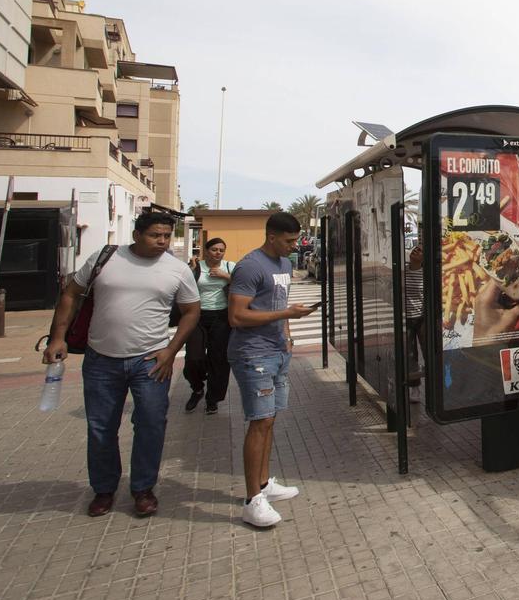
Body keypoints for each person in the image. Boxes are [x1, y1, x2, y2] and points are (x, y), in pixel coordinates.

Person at [42, 212, 201, 518]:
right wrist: (57, 338)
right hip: (101, 360)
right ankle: (103, 489)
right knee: (101, 428)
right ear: (137, 233)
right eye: (156, 235)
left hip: (151, 362)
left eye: (167, 236)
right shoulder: (105, 258)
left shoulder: (176, 269)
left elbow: (191, 311)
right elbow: (71, 293)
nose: (163, 242)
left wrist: (171, 350)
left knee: (151, 426)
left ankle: (142, 489)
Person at [228, 212, 316, 528]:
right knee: (260, 421)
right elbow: (236, 317)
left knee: (270, 420)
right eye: (290, 241)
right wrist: (286, 314)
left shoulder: (285, 265)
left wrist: (288, 331)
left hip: (278, 351)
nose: (296, 246)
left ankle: (264, 484)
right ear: (272, 237)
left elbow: (280, 304)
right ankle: (253, 500)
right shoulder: (250, 266)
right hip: (254, 355)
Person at [184, 237, 235, 415]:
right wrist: (190, 270)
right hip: (196, 316)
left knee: (219, 360)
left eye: (221, 250)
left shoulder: (230, 266)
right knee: (193, 358)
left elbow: (244, 285)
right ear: (206, 251)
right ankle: (197, 388)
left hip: (221, 317)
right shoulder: (196, 266)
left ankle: (213, 399)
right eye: (214, 249)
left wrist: (225, 276)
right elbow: (183, 286)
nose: (218, 253)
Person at [404, 243, 424, 403]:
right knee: (411, 355)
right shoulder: (402, 270)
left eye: (421, 250)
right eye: (416, 248)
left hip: (423, 318)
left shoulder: (426, 273)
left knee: (429, 353)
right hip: (407, 318)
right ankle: (414, 388)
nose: (416, 250)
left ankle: (435, 387)